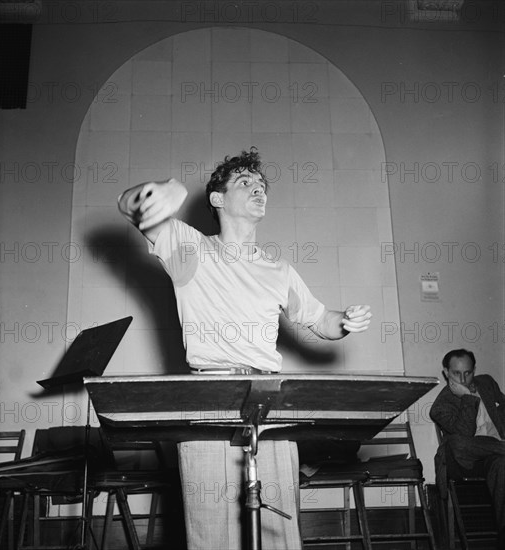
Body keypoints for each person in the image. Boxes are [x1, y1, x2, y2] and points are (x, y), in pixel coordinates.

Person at [117, 148, 372, 550]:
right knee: (211, 531)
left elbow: (321, 320)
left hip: (268, 399)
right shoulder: (189, 250)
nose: (258, 189)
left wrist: (344, 321)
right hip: (208, 400)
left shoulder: (279, 270)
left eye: (261, 185)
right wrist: (162, 191)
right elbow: (130, 204)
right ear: (217, 199)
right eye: (245, 182)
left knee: (278, 528)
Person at [430, 348, 505, 547]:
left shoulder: (487, 383)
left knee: (502, 466)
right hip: (466, 461)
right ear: (446, 372)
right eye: (456, 373)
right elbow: (464, 435)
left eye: (468, 372)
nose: (463, 379)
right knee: (456, 442)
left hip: (495, 457)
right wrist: (468, 398)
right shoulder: (441, 406)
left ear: (474, 370)